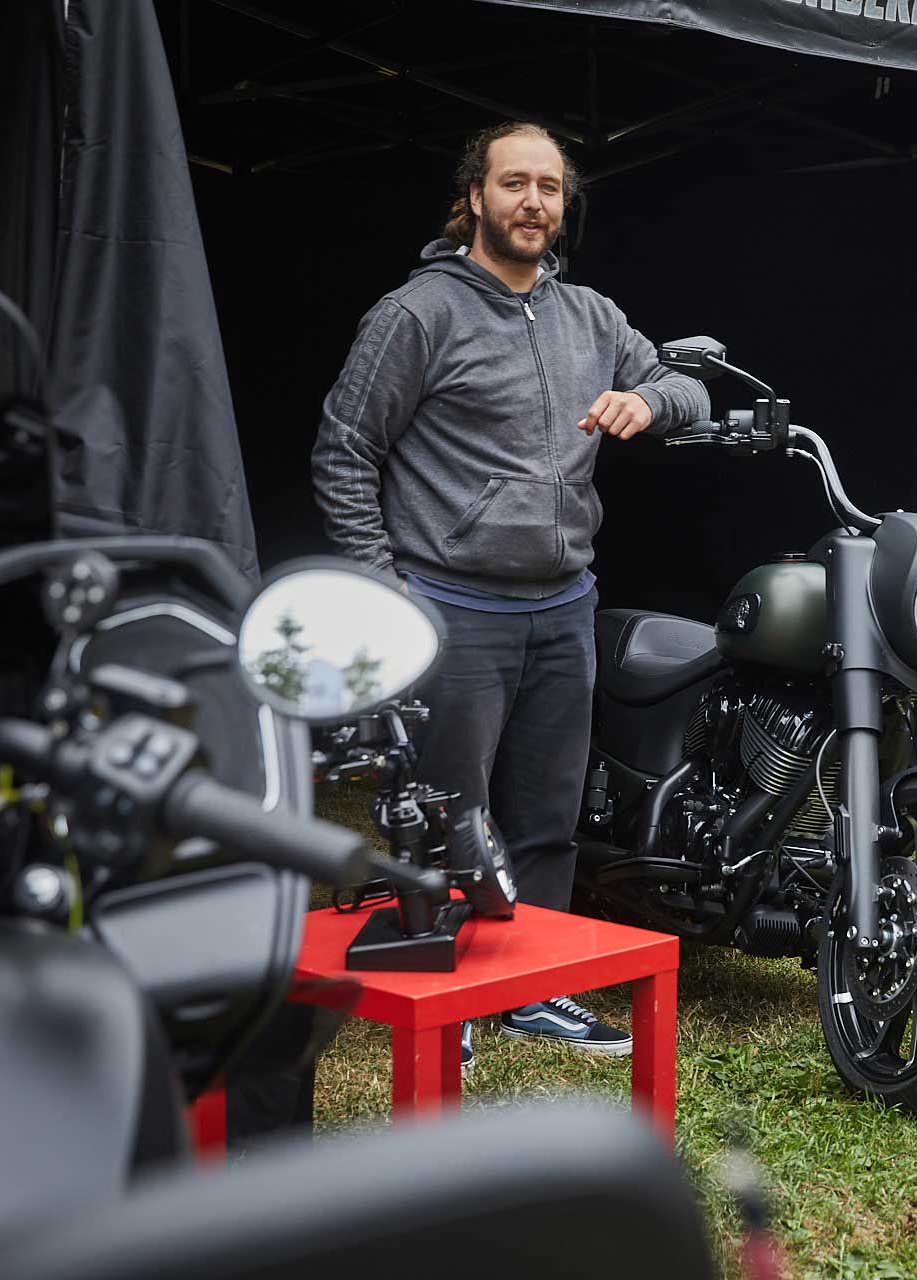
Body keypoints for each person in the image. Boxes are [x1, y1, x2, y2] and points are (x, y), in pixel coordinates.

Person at [312, 121, 710, 1064]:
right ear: (475, 197)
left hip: (562, 604)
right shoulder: (417, 315)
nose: (534, 203)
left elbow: (685, 389)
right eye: (514, 184)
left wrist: (649, 400)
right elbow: (343, 452)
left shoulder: (592, 317)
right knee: (444, 812)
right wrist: (385, 589)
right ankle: (439, 1001)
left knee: (545, 818)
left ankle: (531, 992)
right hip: (449, 605)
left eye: (550, 188)